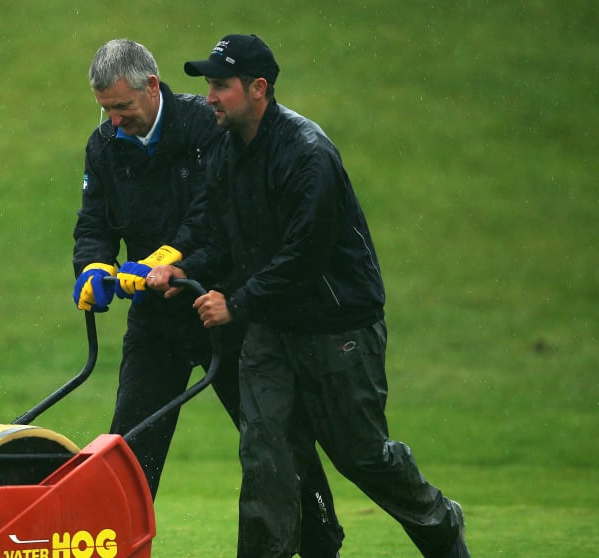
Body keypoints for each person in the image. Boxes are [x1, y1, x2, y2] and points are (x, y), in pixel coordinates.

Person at [147, 34, 470, 558]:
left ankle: (439, 523)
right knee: (265, 456)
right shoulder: (228, 151)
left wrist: (236, 302)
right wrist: (181, 266)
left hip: (336, 324)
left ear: (258, 89)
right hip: (272, 326)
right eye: (208, 85)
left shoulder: (307, 153)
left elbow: (304, 257)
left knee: (359, 454)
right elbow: (218, 235)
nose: (208, 97)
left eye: (220, 86)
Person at [72, 39, 344, 558]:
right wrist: (92, 269)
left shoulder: (207, 126)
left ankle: (320, 541)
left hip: (223, 309)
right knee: (129, 448)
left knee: (273, 439)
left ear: (152, 87)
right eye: (105, 109)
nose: (114, 121)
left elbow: (216, 213)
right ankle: (114, 548)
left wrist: (174, 258)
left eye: (122, 108)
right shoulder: (103, 144)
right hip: (156, 322)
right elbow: (94, 223)